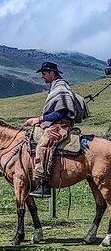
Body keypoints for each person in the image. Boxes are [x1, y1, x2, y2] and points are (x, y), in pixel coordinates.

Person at [25, 62, 88, 197]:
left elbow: (62, 112)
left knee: (44, 143)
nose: (42, 77)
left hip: (61, 125)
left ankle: (44, 183)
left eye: (44, 74)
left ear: (52, 73)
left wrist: (40, 119)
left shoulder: (60, 89)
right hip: (55, 123)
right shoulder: (56, 87)